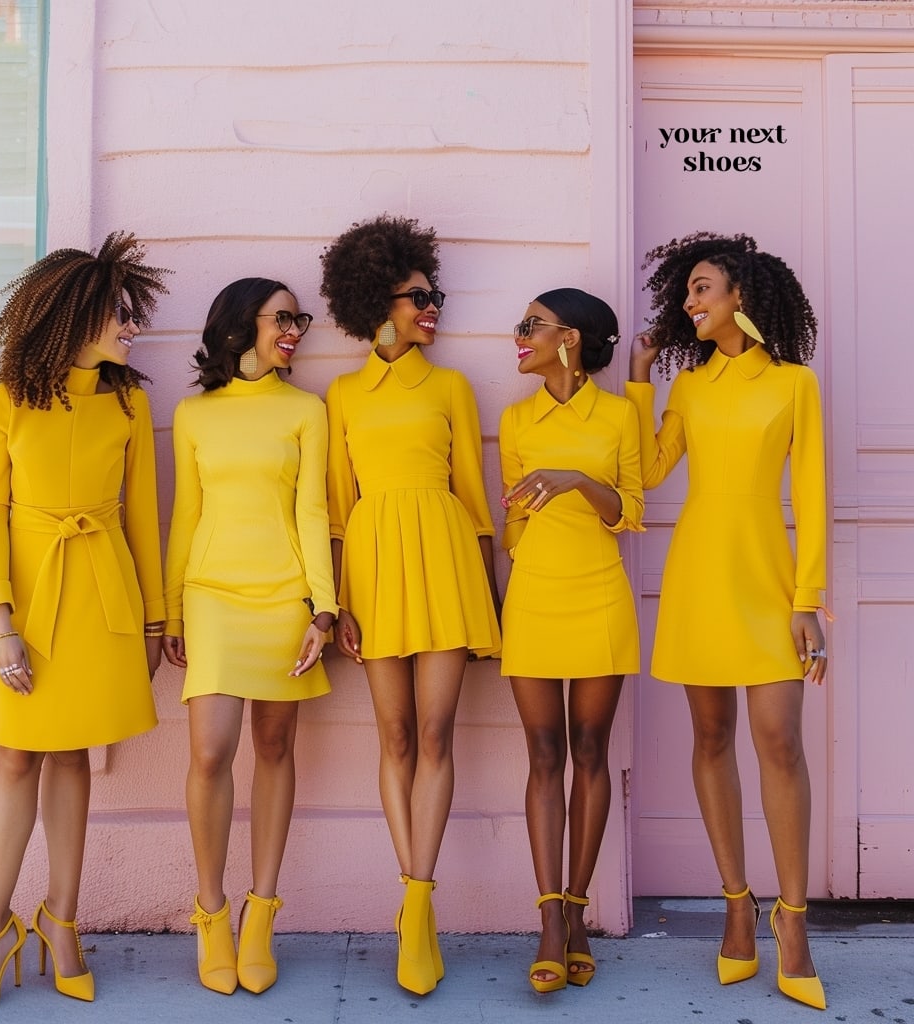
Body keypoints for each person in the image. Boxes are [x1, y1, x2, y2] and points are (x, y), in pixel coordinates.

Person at [0, 232, 169, 1019]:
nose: (132, 327)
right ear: (75, 314)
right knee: (16, 759)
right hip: (31, 599)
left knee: (74, 756)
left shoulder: (130, 402)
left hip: (104, 594)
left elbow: (143, 515)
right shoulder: (9, 395)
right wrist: (0, 619)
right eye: (120, 314)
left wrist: (154, 620)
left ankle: (61, 923)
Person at [627, 231, 828, 1010]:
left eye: (702, 288)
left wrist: (807, 600)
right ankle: (736, 905)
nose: (690, 301)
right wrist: (641, 379)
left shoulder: (793, 386)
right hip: (697, 582)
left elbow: (809, 496)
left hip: (769, 585)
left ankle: (795, 920)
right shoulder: (692, 388)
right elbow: (644, 475)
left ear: (741, 294)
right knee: (710, 739)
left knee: (779, 742)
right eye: (687, 291)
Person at [319, 214, 501, 995]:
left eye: (436, 295)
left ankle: (419, 902)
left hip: (447, 558)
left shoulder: (453, 386)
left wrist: (492, 593)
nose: (432, 307)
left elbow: (478, 500)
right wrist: (336, 603)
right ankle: (410, 890)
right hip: (373, 568)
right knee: (392, 735)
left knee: (435, 732)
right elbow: (335, 508)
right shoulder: (343, 393)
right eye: (416, 296)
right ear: (374, 302)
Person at [162, 278, 335, 996]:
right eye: (281, 318)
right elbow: (185, 516)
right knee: (210, 752)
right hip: (212, 596)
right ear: (241, 326)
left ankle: (262, 914)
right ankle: (211, 912)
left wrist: (323, 609)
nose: (294, 329)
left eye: (299, 319)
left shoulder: (306, 411)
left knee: (274, 746)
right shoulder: (194, 413)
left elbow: (312, 511)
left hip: (283, 597)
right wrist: (171, 611)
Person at [498, 288, 643, 993]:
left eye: (531, 325)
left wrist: (581, 479)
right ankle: (549, 917)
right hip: (535, 597)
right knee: (544, 753)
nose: (518, 335)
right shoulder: (516, 417)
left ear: (572, 338)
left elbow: (631, 512)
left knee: (590, 750)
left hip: (600, 595)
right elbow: (513, 522)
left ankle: (579, 912)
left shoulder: (619, 415)